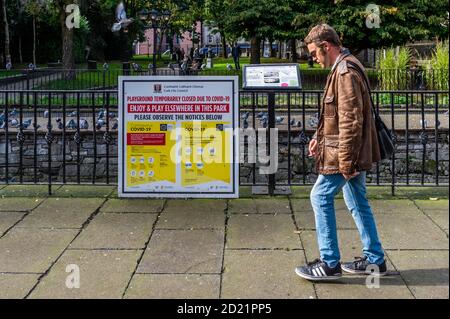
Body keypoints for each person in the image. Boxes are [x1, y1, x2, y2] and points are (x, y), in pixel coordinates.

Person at [294, 24, 386, 281]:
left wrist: (346, 163)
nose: (312, 57)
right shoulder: (345, 66)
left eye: (314, 52)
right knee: (357, 201)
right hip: (348, 151)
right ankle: (375, 260)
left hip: (346, 154)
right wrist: (317, 137)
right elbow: (336, 116)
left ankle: (329, 263)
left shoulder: (344, 72)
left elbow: (351, 122)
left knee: (319, 196)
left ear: (327, 46)